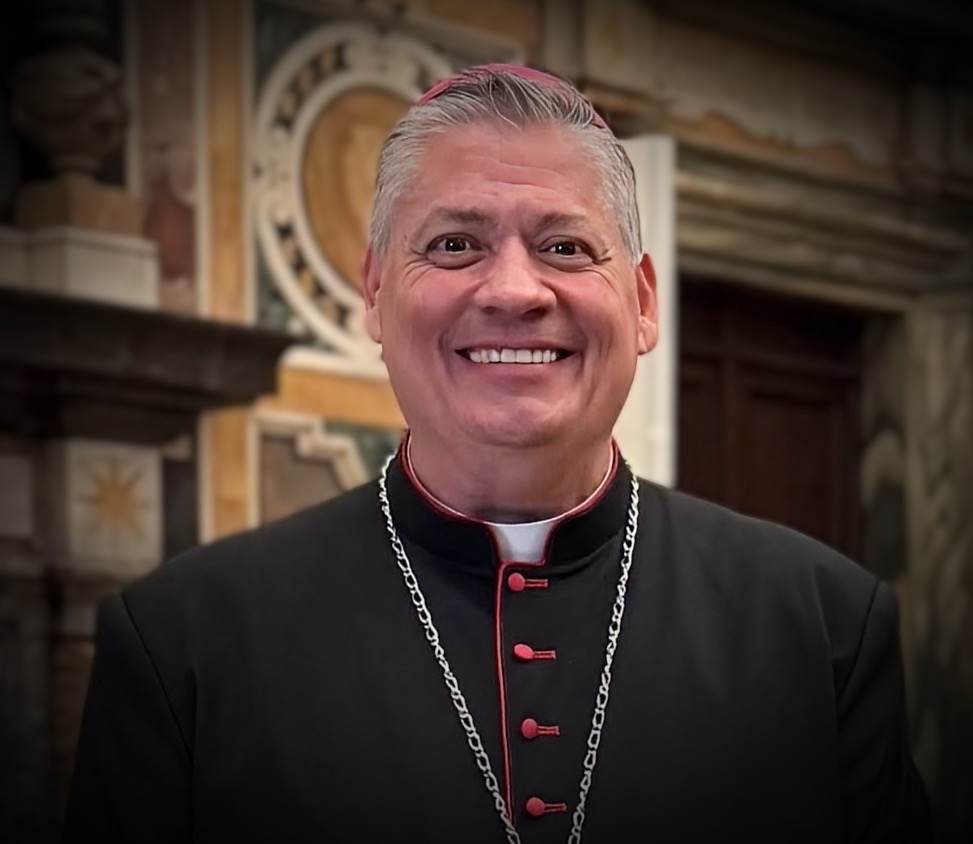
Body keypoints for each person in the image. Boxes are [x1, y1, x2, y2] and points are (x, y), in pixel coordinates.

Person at [64, 64, 932, 843]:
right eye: (454, 245)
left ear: (640, 302)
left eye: (564, 247)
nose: (514, 290)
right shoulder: (183, 642)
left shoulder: (824, 627)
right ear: (375, 291)